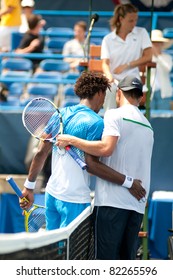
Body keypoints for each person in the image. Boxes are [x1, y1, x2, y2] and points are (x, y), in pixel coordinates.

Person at [20, 71, 146, 232]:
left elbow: (40, 154)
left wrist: (28, 187)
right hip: (75, 199)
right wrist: (128, 182)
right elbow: (92, 166)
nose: (104, 102)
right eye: (105, 96)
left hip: (51, 195)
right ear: (100, 93)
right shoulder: (96, 123)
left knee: (54, 251)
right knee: (72, 254)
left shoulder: (60, 114)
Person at [57, 75, 154, 260]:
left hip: (112, 204)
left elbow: (106, 149)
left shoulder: (113, 114)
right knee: (126, 264)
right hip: (136, 207)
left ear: (118, 94)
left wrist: (71, 140)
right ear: (141, 97)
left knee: (104, 265)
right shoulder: (149, 126)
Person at [101, 3, 152, 111]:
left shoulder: (141, 32)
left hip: (133, 79)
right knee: (110, 89)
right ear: (121, 19)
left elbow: (149, 56)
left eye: (135, 20)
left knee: (130, 92)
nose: (134, 23)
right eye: (130, 20)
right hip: (114, 80)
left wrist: (127, 65)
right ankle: (110, 122)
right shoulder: (108, 39)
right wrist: (109, 76)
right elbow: (105, 63)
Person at [150, 29, 173, 110]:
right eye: (154, 43)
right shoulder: (146, 58)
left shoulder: (167, 57)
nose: (156, 45)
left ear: (162, 44)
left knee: (164, 118)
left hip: (164, 93)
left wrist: (157, 55)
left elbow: (168, 68)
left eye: (158, 43)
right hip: (150, 92)